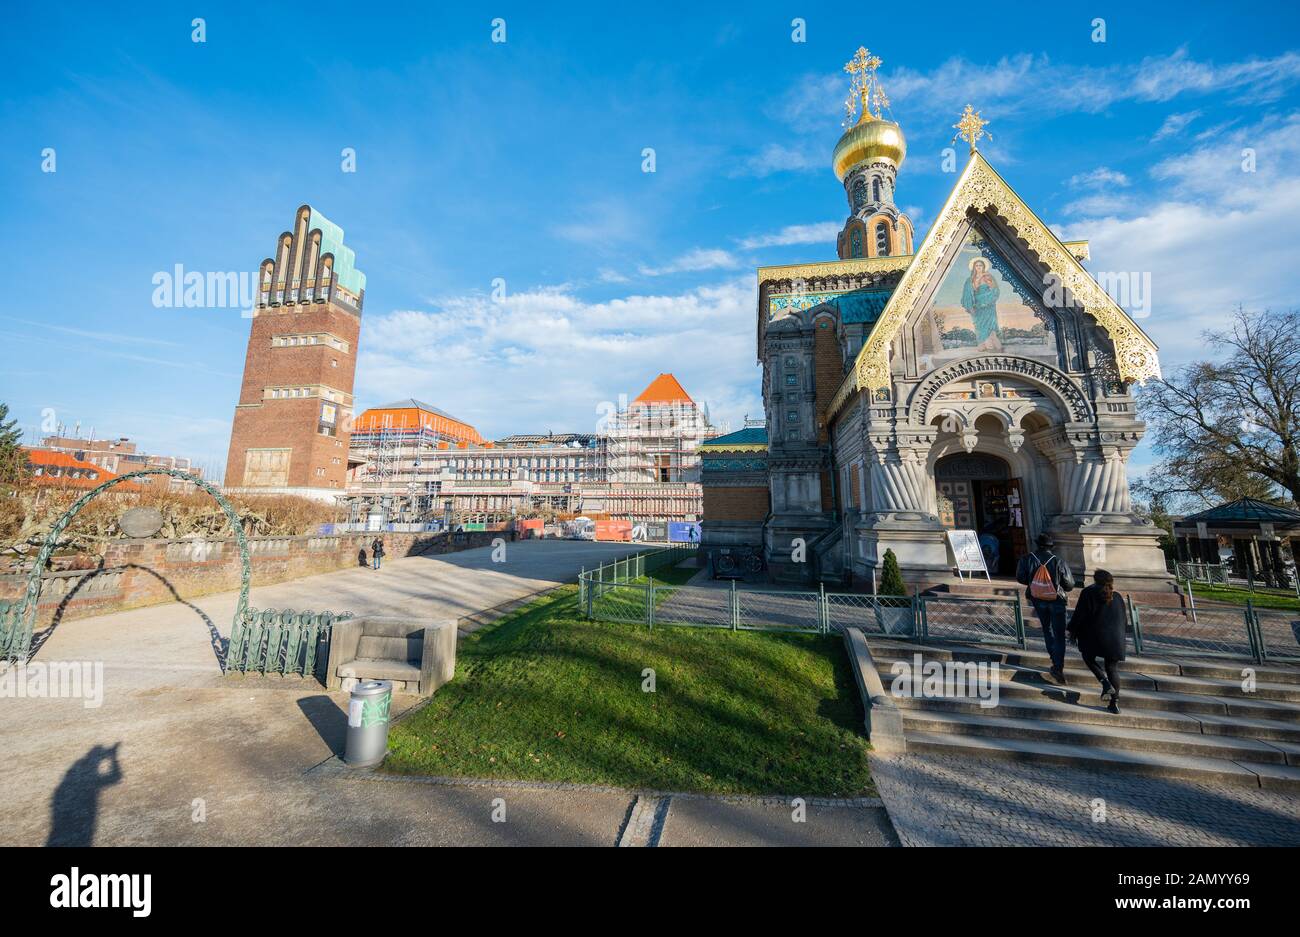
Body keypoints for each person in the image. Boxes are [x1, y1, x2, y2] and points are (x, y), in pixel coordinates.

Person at [1016, 533, 1074, 684]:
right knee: (1059, 634)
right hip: (1056, 600)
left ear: (1037, 545)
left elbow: (1021, 577)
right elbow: (1069, 584)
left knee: (1047, 629)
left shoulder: (1027, 559)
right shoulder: (1058, 561)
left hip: (1037, 599)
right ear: (1051, 547)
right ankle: (1058, 666)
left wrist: (1035, 581)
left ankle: (1054, 660)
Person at [1068, 569, 1127, 714]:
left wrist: (1072, 630)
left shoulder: (1088, 593)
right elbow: (1124, 620)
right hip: (1116, 639)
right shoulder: (1117, 596)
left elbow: (1079, 615)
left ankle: (1104, 682)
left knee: (1087, 657)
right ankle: (1115, 703)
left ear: (1095, 580)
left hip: (1095, 637)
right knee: (1112, 668)